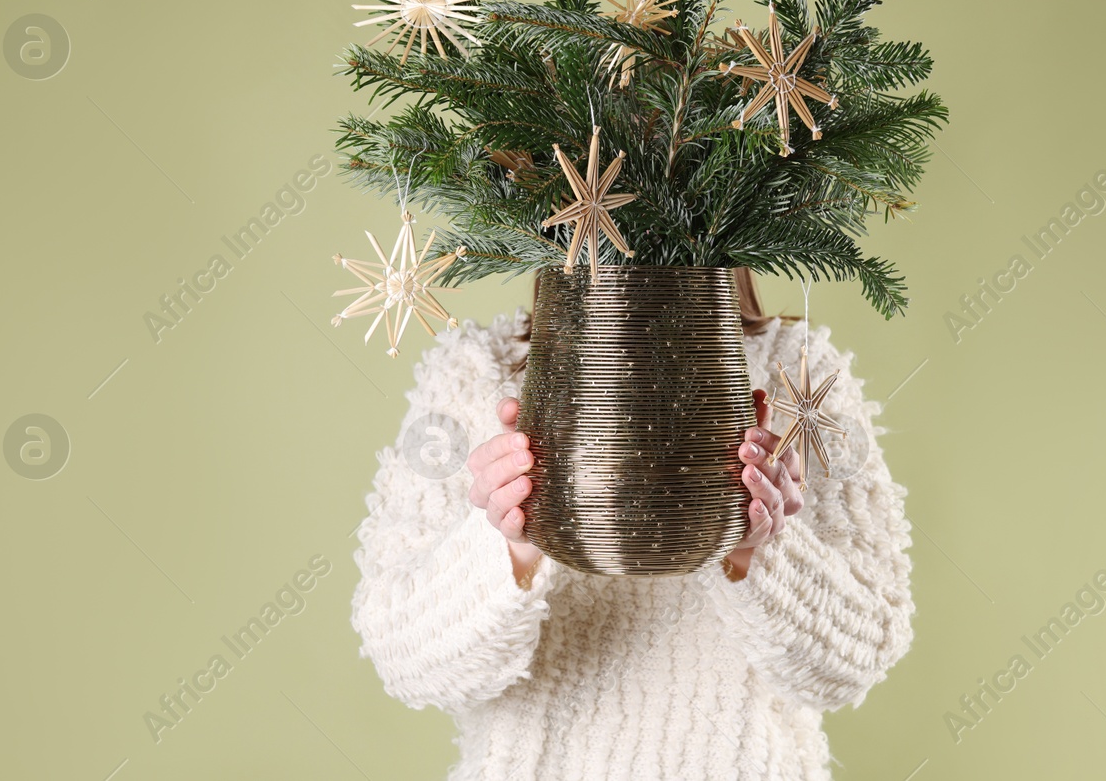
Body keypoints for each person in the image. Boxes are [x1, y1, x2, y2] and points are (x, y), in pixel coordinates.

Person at [351, 269, 916, 781]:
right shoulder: (475, 372)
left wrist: (753, 550)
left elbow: (859, 657)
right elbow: (406, 658)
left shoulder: (800, 376)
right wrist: (513, 547)